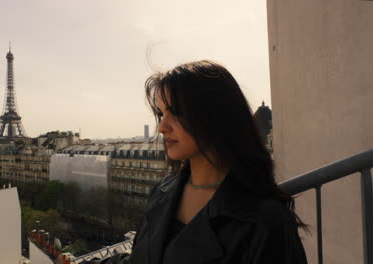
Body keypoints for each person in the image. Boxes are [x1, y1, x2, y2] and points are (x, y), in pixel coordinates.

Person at [90, 60, 308, 264]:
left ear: (215, 116)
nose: (161, 127)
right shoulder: (162, 192)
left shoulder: (266, 222)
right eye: (161, 113)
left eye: (176, 112)